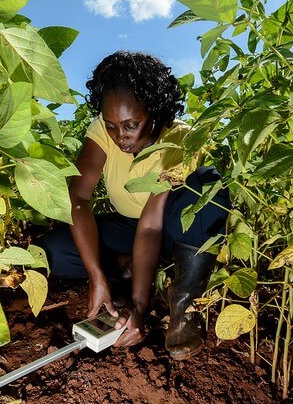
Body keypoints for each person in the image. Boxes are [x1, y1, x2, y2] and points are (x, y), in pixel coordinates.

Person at [40, 51, 230, 359]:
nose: (120, 137)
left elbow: (152, 226)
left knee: (207, 182)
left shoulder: (180, 138)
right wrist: (95, 274)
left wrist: (139, 307)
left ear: (154, 112)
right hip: (128, 226)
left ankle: (183, 300)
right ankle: (126, 267)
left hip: (171, 233)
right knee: (55, 251)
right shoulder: (103, 130)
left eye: (131, 125)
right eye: (112, 125)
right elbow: (78, 197)